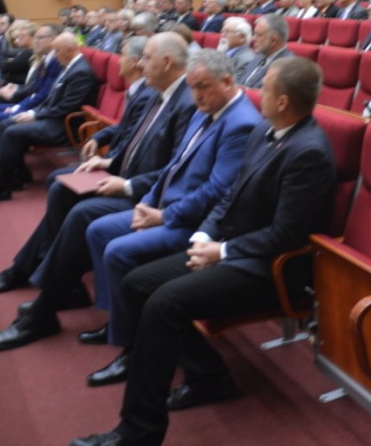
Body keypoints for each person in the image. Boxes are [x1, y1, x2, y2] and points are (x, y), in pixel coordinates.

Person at [68, 57, 335, 446]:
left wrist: (221, 250)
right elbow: (229, 196)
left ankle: (138, 431)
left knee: (164, 304)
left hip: (267, 268)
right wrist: (203, 235)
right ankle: (209, 376)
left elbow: (285, 235)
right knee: (136, 283)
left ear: (283, 102)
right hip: (231, 246)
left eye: (266, 89)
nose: (256, 93)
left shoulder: (309, 152)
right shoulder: (265, 131)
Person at [0, 49, 261, 356]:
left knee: (89, 221)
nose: (139, 63)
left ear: (227, 81)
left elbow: (216, 191)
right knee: (74, 204)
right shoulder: (198, 106)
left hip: (187, 219)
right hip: (155, 199)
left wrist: (159, 211)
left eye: (148, 57)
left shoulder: (236, 121)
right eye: (194, 87)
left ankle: (76, 314)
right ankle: (79, 307)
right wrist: (146, 199)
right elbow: (173, 165)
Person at [0, 34, 196, 296]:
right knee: (60, 186)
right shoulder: (157, 94)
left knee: (79, 209)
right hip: (125, 172)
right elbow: (130, 135)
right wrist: (106, 155)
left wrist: (125, 182)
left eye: (146, 58)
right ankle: (47, 268)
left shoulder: (182, 102)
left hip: (144, 191)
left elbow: (175, 167)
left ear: (167, 62)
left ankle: (43, 276)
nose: (138, 63)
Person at [0, 32, 99, 204]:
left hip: (63, 126)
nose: (55, 55)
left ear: (69, 50)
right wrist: (31, 112)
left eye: (58, 50)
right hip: (52, 117)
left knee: (12, 131)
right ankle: (17, 176)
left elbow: (65, 108)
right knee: (6, 123)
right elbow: (50, 99)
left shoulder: (81, 72)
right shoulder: (70, 66)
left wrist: (34, 114)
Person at [237, 14, 292, 89]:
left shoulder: (286, 67)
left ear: (273, 40)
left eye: (258, 35)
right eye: (254, 34)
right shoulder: (258, 57)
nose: (253, 39)